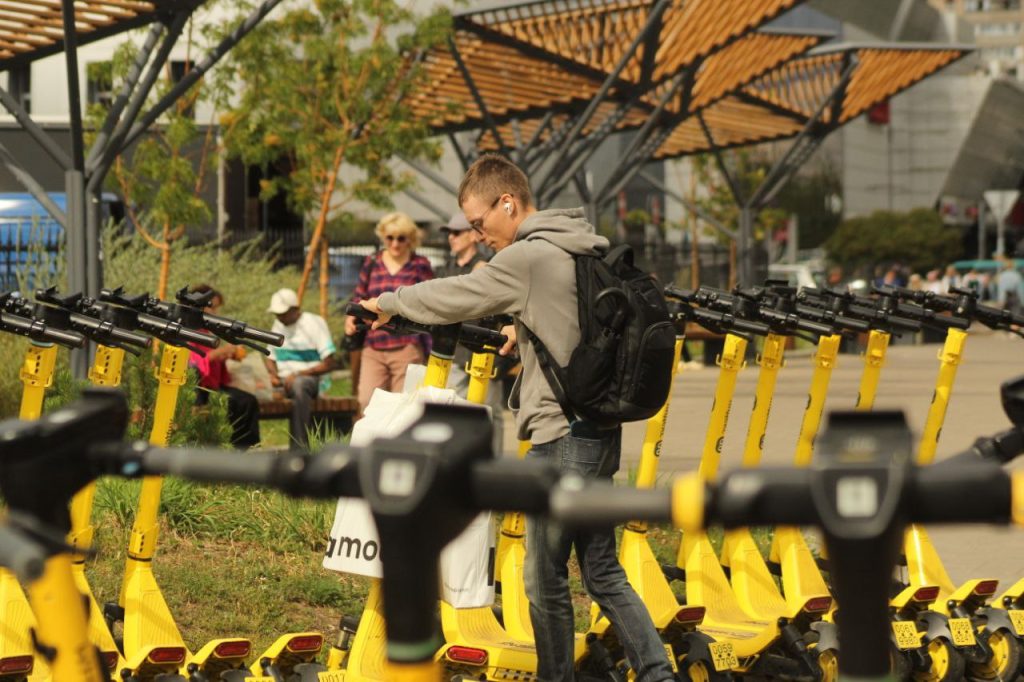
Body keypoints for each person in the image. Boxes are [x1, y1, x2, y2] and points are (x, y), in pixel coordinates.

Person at [359, 154, 674, 682]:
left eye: (481, 222)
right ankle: (657, 672)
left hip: (562, 437)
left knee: (542, 576)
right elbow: (568, 318)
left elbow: (456, 295)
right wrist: (522, 331)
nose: (479, 235)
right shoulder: (575, 242)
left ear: (509, 202)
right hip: (597, 428)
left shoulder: (528, 256)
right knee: (600, 570)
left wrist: (392, 301)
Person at [344, 212, 434, 412]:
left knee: (402, 407)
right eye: (389, 238)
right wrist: (350, 318)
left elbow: (428, 300)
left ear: (410, 239)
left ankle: (395, 444)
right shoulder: (372, 262)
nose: (395, 243)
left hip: (406, 344)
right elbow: (360, 295)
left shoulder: (419, 264)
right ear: (383, 237)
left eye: (401, 238)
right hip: (374, 343)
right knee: (367, 403)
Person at [188, 285, 261, 449]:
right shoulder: (188, 330)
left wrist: (227, 354)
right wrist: (218, 353)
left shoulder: (206, 331)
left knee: (247, 401)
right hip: (197, 390)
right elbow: (192, 365)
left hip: (213, 386)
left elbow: (211, 363)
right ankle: (230, 446)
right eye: (212, 307)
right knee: (236, 402)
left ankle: (245, 448)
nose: (215, 312)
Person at [265, 288, 337, 450]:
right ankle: (246, 450)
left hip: (311, 380)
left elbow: (330, 363)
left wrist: (298, 374)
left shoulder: (314, 323)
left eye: (283, 313)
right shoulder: (278, 324)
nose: (279, 317)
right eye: (277, 314)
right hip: (284, 380)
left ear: (295, 309)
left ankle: (299, 448)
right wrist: (272, 375)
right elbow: (270, 357)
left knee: (299, 385)